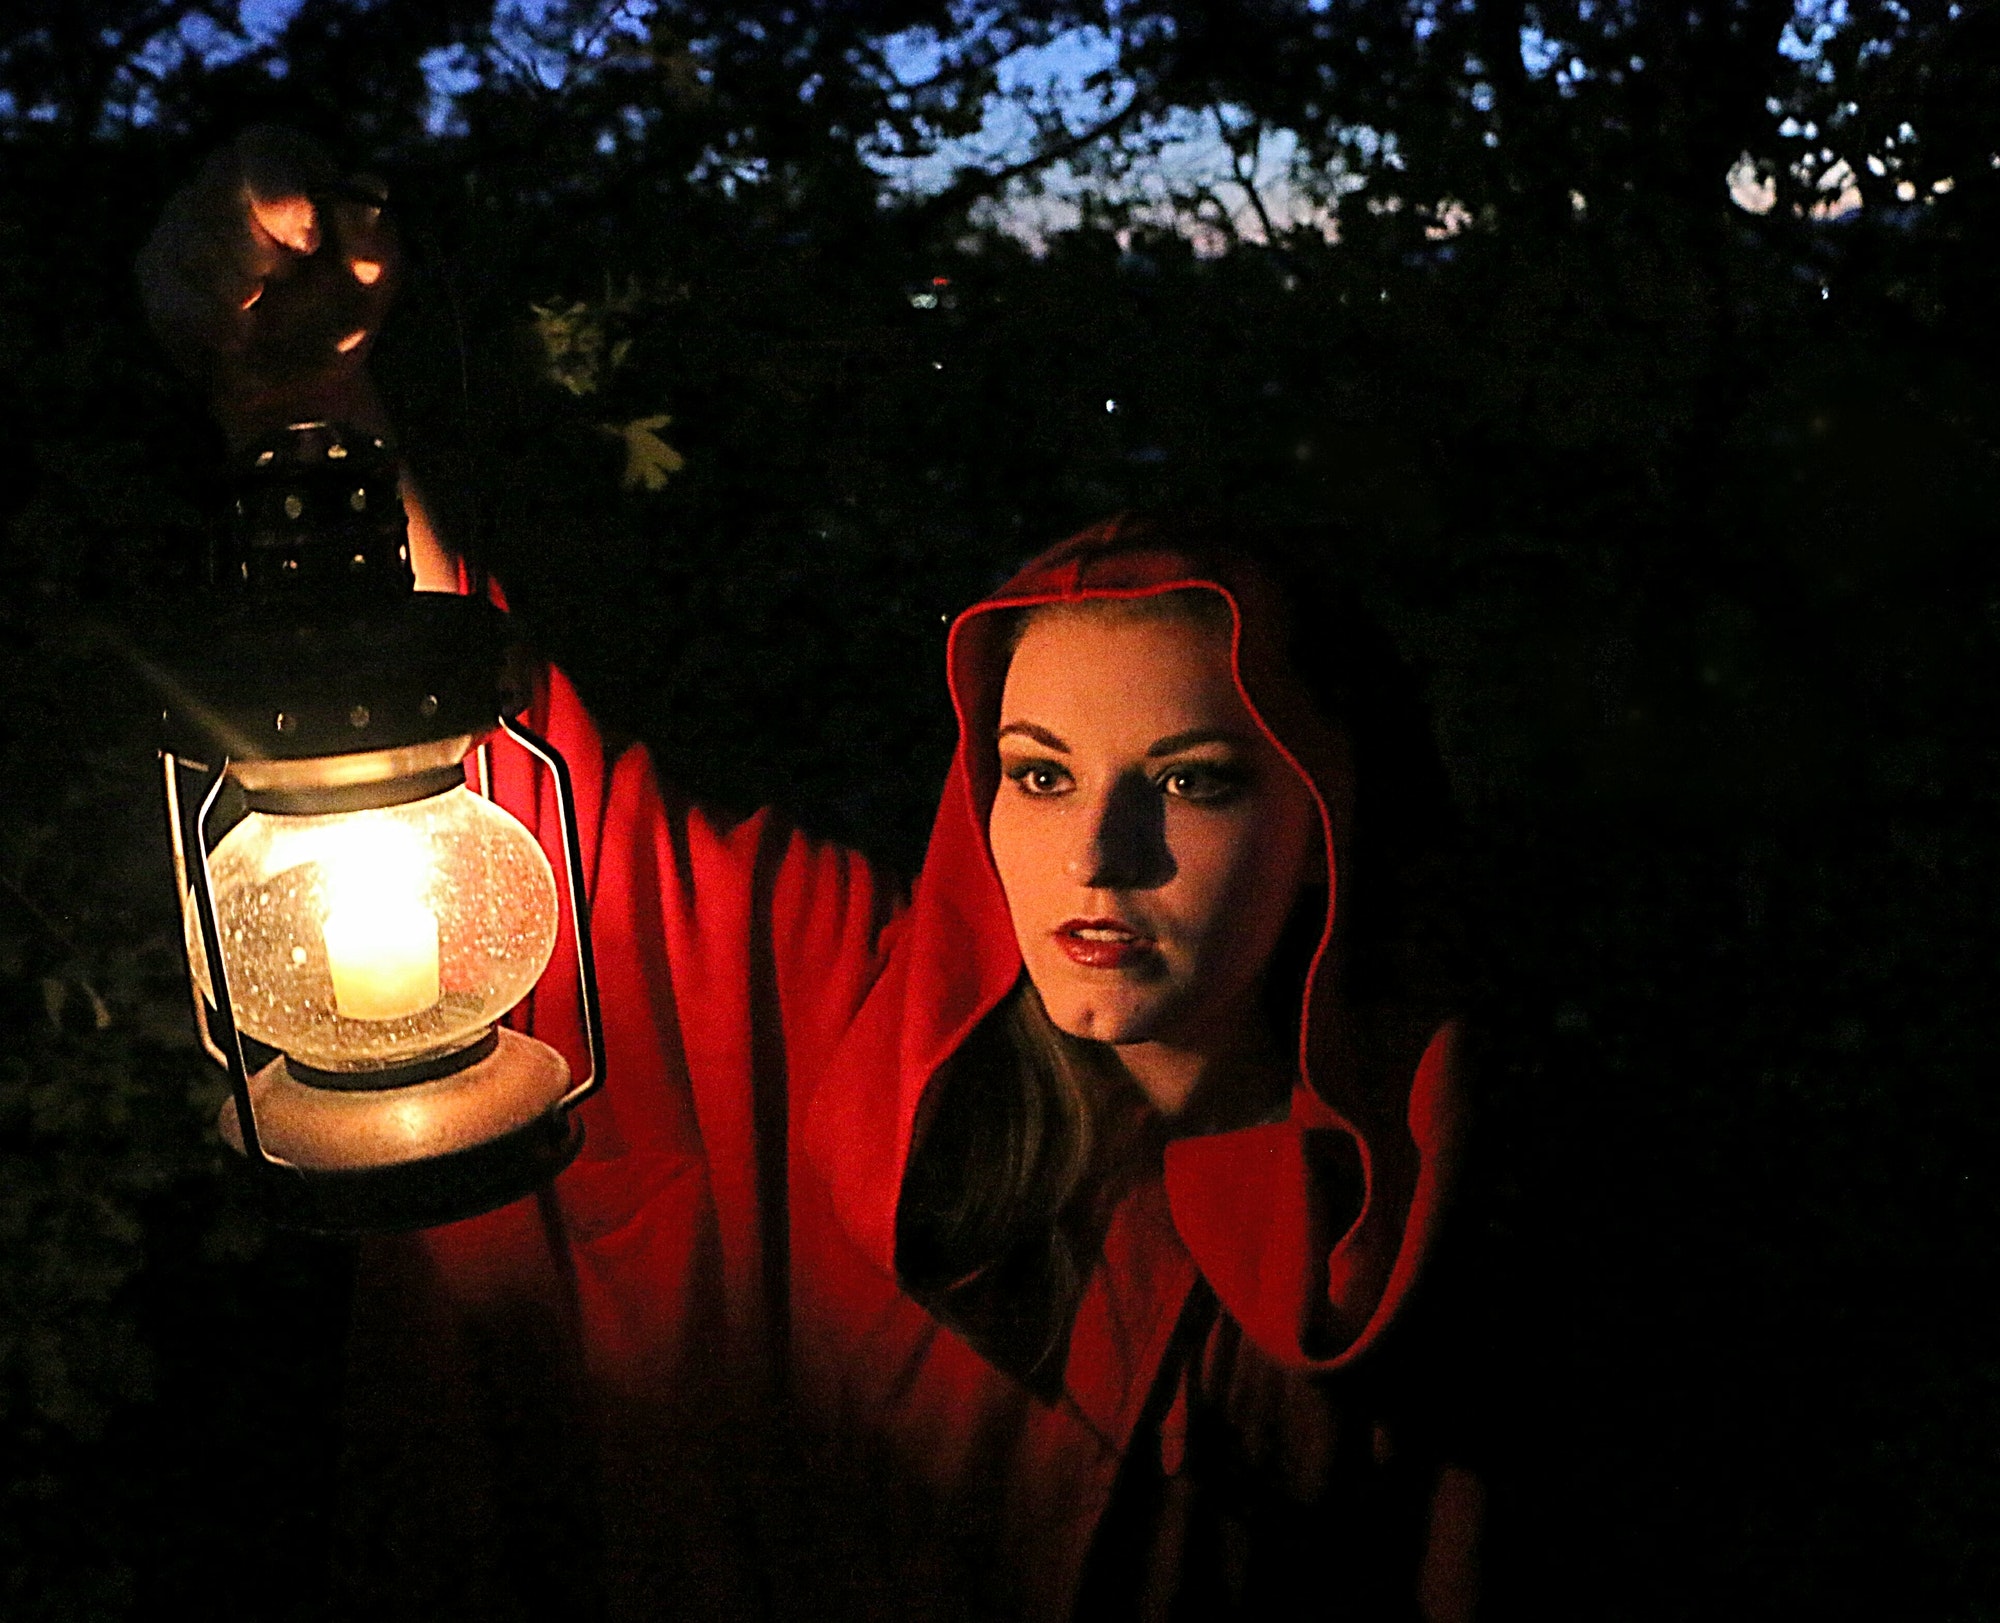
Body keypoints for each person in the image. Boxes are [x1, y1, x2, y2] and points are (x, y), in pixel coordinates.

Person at [140, 129, 1482, 1623]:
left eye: (1192, 780)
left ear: (1323, 817)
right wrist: (297, 398)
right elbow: (536, 788)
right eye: (1039, 774)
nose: (1100, 857)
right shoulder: (851, 1015)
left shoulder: (1414, 1214)